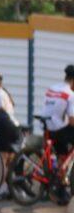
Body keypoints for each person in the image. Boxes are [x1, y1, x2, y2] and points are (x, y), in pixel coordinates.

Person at [39, 65, 74, 201]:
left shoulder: (52, 88)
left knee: (62, 154)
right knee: (64, 154)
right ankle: (62, 183)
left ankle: (59, 181)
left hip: (46, 127)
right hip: (58, 130)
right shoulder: (70, 94)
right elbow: (72, 121)